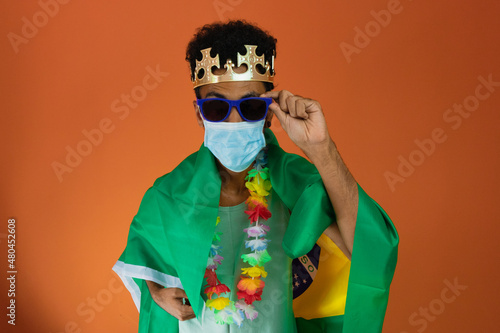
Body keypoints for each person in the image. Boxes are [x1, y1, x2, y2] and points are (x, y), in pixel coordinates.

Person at [113, 20, 398, 332]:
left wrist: (321, 148)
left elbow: (368, 248)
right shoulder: (168, 195)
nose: (234, 120)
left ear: (268, 112)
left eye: (249, 106)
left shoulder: (299, 186)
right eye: (217, 108)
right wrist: (156, 293)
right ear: (199, 114)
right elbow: (143, 265)